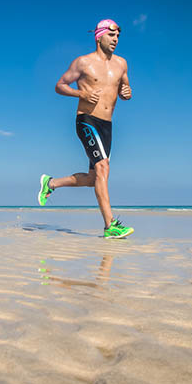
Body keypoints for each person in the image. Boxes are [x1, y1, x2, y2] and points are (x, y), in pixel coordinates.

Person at [38, 19, 134, 239]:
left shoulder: (122, 64)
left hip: (107, 126)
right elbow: (60, 85)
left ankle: (50, 183)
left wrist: (126, 93)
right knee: (103, 168)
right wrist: (80, 93)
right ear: (99, 36)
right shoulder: (83, 63)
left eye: (118, 36)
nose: (116, 40)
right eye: (111, 36)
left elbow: (124, 88)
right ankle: (110, 225)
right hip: (87, 120)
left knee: (94, 178)